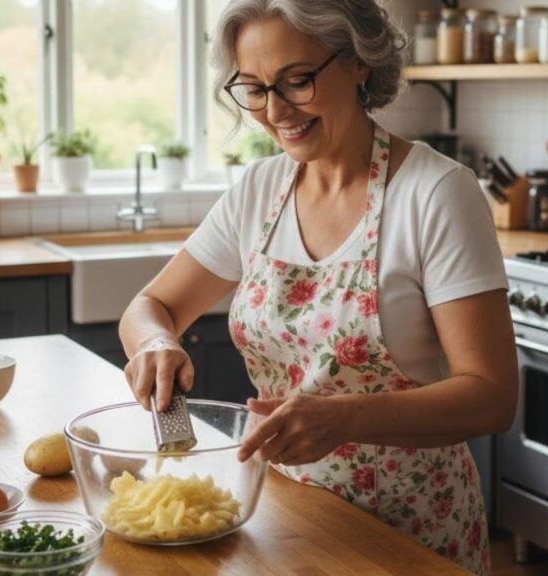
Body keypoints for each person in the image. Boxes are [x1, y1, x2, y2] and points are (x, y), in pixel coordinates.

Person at [118, 1, 518, 573]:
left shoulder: (437, 194)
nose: (276, 110)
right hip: (284, 518)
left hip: (408, 533)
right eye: (253, 89)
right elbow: (150, 306)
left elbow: (492, 395)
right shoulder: (258, 190)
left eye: (296, 81)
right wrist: (156, 344)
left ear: (358, 61)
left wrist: (347, 418)